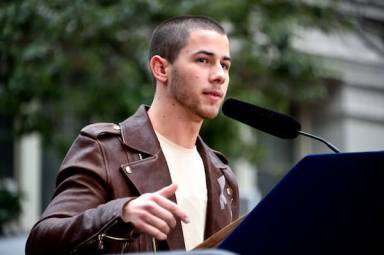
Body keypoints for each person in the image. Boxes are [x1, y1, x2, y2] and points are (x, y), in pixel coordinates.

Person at [25, 15, 239, 254]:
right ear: (161, 68)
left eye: (225, 65)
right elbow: (40, 243)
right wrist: (121, 213)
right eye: (203, 60)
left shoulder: (223, 176)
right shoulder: (105, 149)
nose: (220, 75)